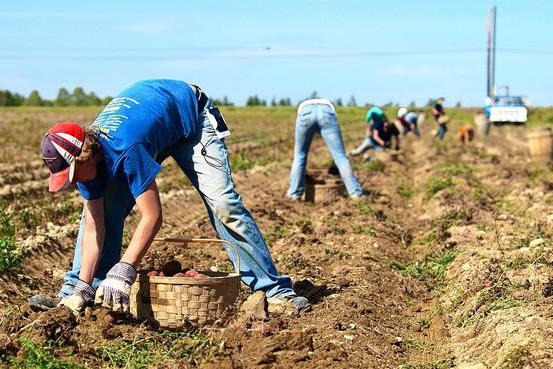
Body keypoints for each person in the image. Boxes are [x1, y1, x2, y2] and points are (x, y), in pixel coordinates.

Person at [31, 79, 309, 315]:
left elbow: (152, 216)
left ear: (87, 154)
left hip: (191, 117)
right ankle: (78, 292)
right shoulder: (84, 163)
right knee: (101, 212)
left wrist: (125, 268)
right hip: (153, 121)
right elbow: (94, 228)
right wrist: (83, 283)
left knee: (224, 204)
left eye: (76, 173)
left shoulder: (126, 148)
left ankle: (274, 291)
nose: (76, 181)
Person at [287, 98, 364, 199]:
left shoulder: (305, 106)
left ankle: (294, 194)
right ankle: (355, 193)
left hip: (305, 111)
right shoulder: (328, 106)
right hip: (326, 111)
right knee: (340, 156)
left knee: (299, 156)